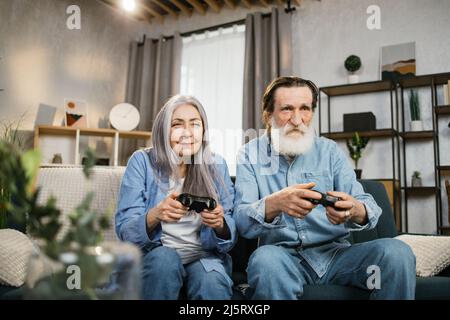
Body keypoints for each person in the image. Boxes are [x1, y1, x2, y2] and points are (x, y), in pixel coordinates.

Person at [234, 76, 416, 300]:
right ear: (268, 116)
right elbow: (241, 220)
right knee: (265, 260)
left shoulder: (329, 151)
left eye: (305, 109)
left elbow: (368, 207)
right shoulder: (250, 155)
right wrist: (276, 203)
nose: (297, 119)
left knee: (397, 253)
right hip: (283, 259)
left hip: (339, 257)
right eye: (287, 109)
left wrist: (354, 210)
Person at [115, 94, 236, 300]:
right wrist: (156, 214)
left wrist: (220, 224)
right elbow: (126, 232)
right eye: (177, 124)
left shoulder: (216, 165)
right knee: (164, 261)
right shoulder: (142, 162)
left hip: (203, 257)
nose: (187, 132)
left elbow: (229, 233)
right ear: (163, 130)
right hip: (155, 255)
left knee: (211, 281)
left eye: (195, 124)